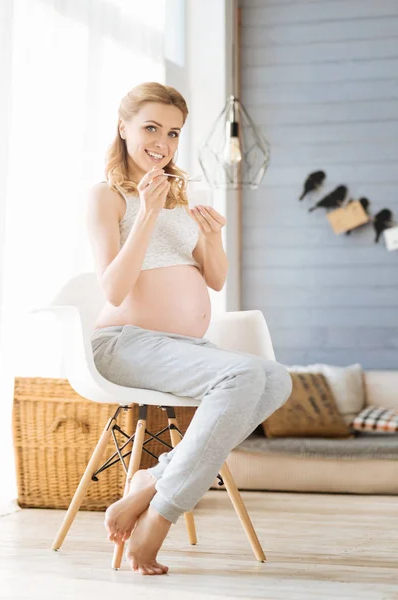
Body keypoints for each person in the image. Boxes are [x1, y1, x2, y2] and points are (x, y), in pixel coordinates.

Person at [86, 82, 292, 576]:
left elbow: (215, 279)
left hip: (183, 346)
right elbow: (113, 288)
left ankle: (152, 481)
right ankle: (159, 518)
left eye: (173, 133)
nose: (163, 142)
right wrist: (146, 214)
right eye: (151, 128)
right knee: (244, 376)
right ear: (123, 127)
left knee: (277, 378)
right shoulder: (106, 196)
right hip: (124, 343)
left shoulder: (178, 198)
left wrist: (212, 236)